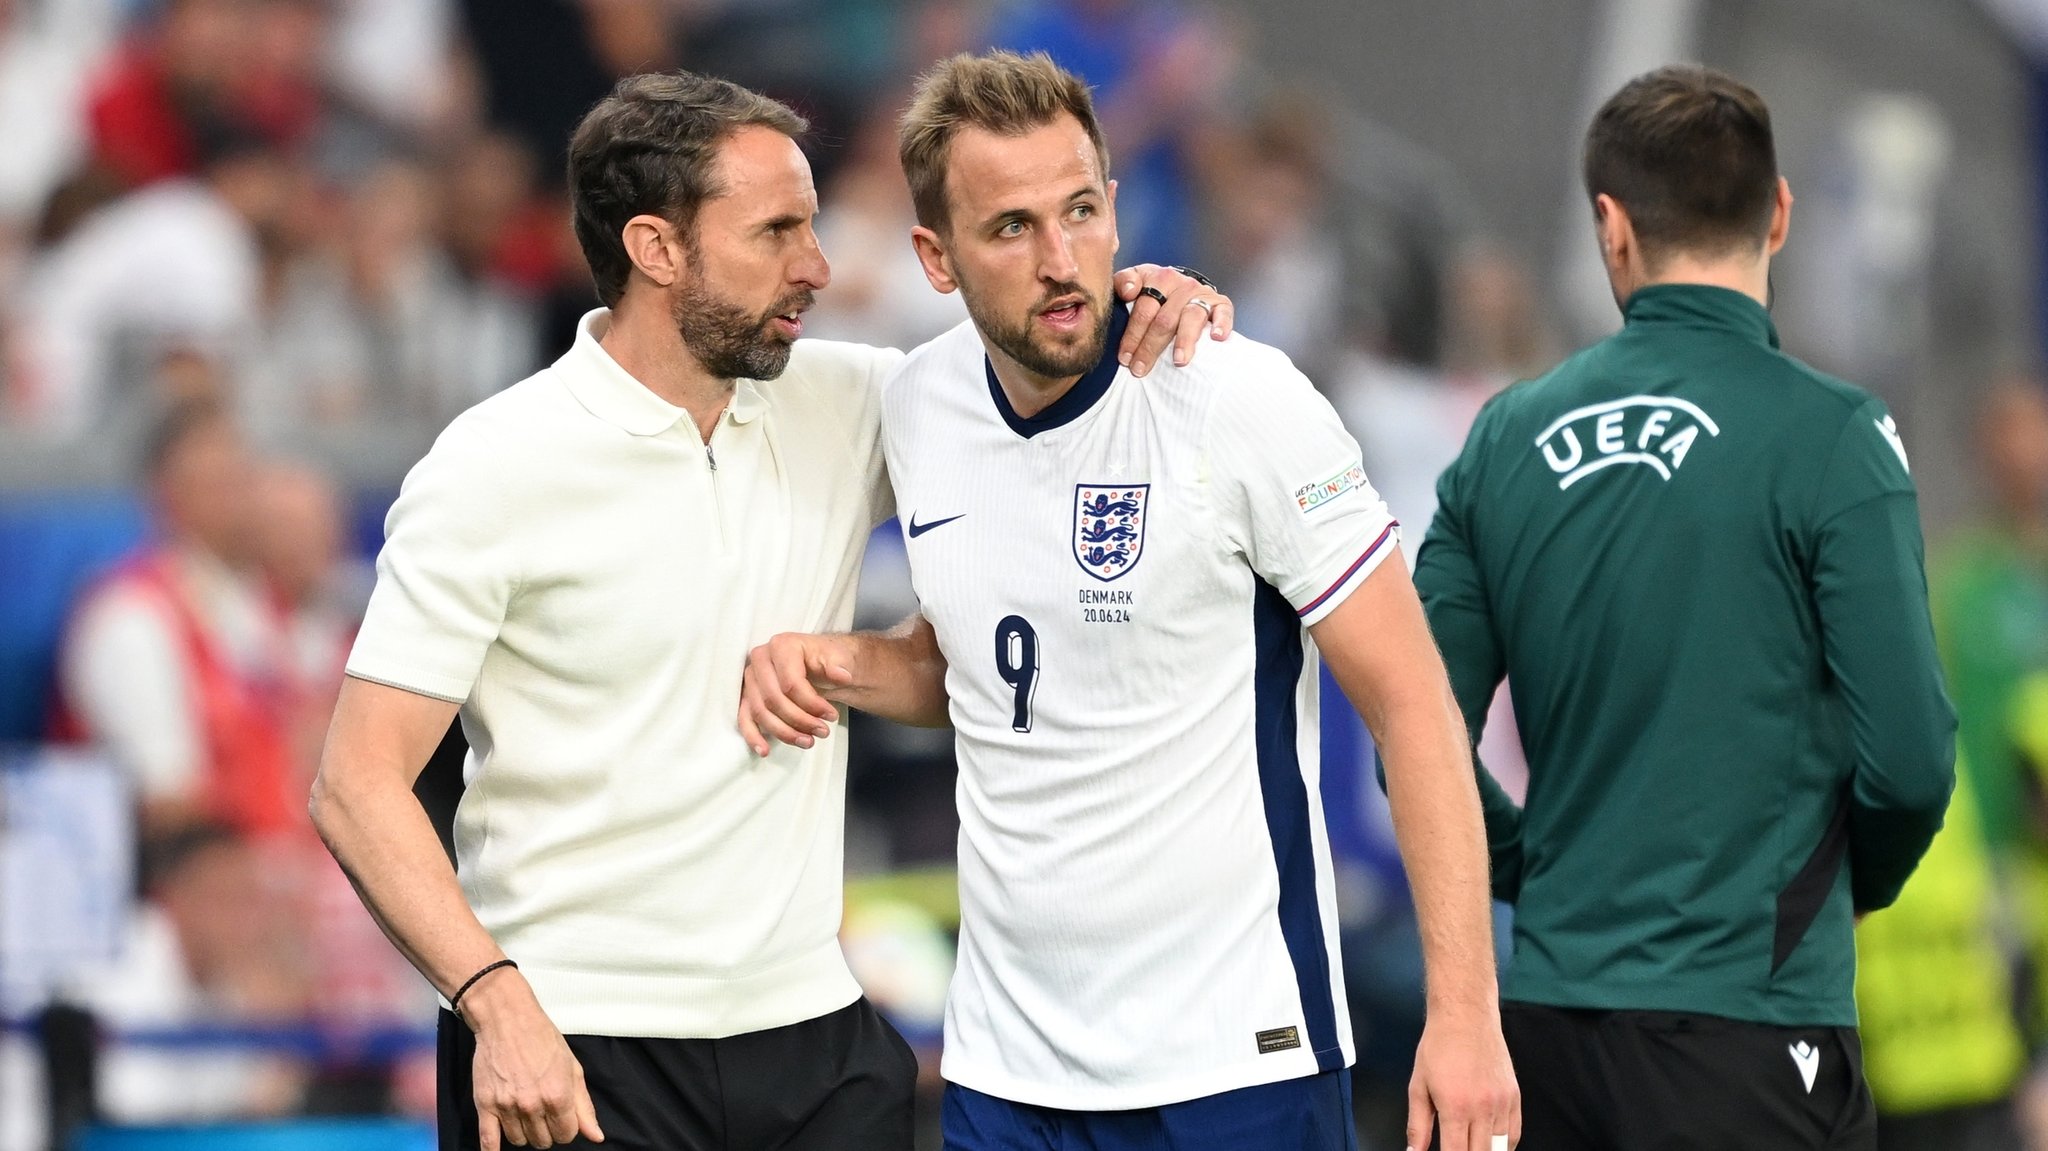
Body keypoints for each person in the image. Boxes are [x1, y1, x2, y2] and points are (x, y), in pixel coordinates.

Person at [307, 69, 1227, 1151]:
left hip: (815, 1038)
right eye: (777, 232)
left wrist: (1151, 296)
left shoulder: (857, 399)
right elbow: (355, 783)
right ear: (657, 249)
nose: (818, 267)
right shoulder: (490, 465)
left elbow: (1044, 365)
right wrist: (495, 1002)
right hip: (570, 1045)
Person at [738, 50, 1517, 1151]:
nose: (1062, 260)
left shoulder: (1233, 396)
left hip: (1233, 1064)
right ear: (937, 258)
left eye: (1081, 209)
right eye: (1010, 227)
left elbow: (1413, 706)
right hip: (1006, 1073)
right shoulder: (913, 408)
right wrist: (830, 661)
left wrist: (1465, 1015)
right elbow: (995, 663)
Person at [1411, 65, 1956, 1149]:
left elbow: (1414, 732)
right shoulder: (1833, 436)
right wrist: (1840, 891)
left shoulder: (1501, 438)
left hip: (1544, 1037)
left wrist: (1531, 863)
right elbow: (1907, 759)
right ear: (1780, 211)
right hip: (1748, 1026)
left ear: (1609, 226)